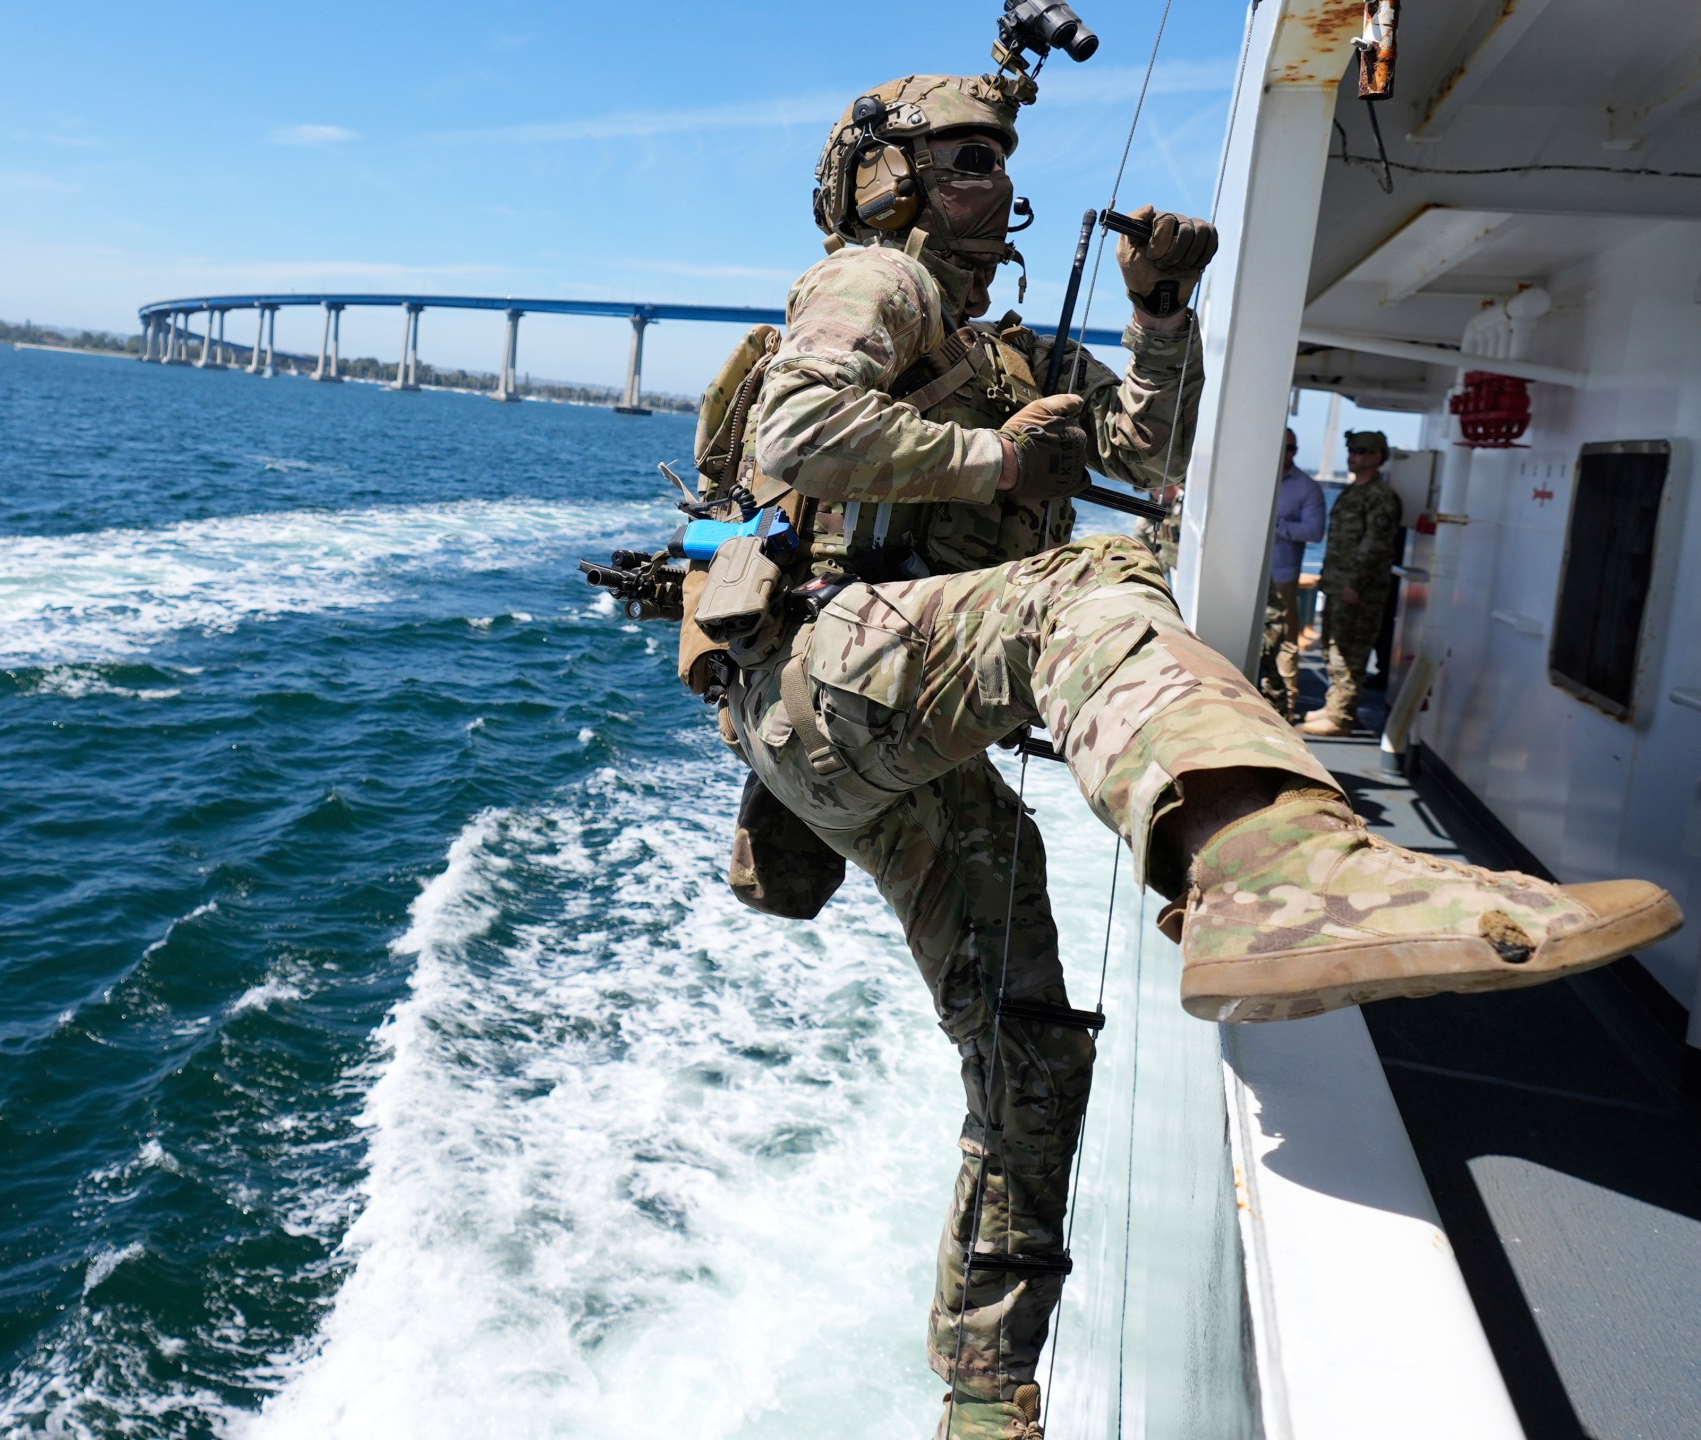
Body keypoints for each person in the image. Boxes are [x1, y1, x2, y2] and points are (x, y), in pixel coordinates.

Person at [646, 63, 1682, 1440]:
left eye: (1002, 160)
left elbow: (1152, 438)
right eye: (963, 159)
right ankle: (1277, 875)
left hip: (871, 747)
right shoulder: (876, 283)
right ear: (887, 184)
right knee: (1098, 573)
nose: (997, 182)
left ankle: (982, 1391)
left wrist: (1157, 316)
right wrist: (992, 469)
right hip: (823, 678)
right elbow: (799, 426)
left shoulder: (1005, 352)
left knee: (1027, 1046)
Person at [1301, 430, 1401, 736]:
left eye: (1360, 451)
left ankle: (1342, 717)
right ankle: (1335, 705)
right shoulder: (1353, 492)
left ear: (1377, 457)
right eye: (1352, 450)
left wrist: (1355, 584)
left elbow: (1375, 546)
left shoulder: (1381, 497)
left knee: (1350, 653)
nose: (1353, 456)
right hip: (1336, 586)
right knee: (1333, 648)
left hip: (1358, 592)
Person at [1259, 429, 1327, 720]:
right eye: (1278, 446)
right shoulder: (1255, 478)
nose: (1283, 453)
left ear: (1295, 451)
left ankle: (1284, 709)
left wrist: (1277, 526)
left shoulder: (1307, 488)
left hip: (1281, 577)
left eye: (1289, 448)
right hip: (1248, 577)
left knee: (1285, 641)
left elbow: (1314, 531)